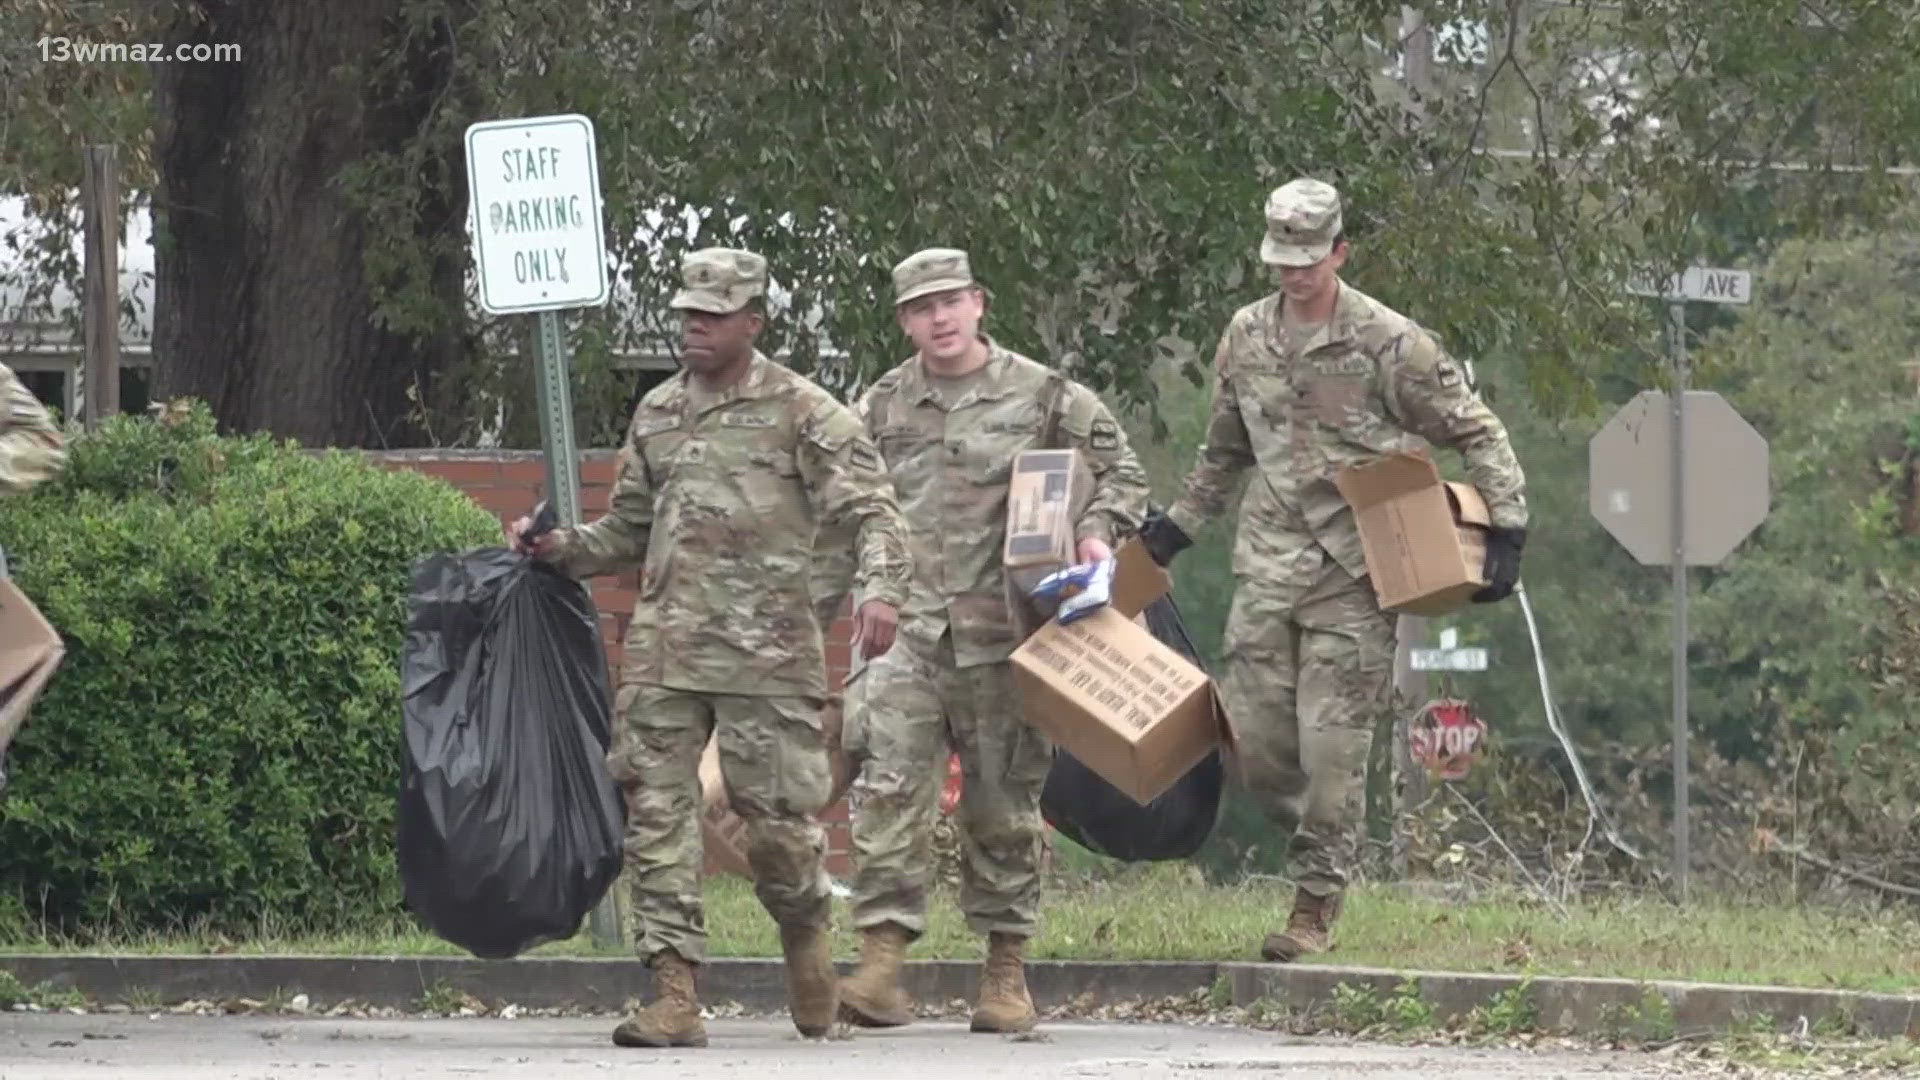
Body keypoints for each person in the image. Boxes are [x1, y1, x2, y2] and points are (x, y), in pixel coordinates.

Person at [510, 247, 911, 1048]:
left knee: (778, 832)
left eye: (713, 315)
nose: (694, 327)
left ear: (752, 323)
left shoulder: (805, 411)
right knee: (655, 813)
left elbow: (876, 510)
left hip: (768, 655)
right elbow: (627, 529)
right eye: (687, 312)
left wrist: (882, 591)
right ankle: (673, 992)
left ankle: (803, 934)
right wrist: (556, 548)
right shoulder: (658, 410)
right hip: (666, 653)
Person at [1139, 177, 1529, 963]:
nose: (1293, 273)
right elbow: (1224, 450)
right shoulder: (1246, 337)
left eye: (1308, 259)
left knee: (1332, 755)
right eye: (1281, 259)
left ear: (1340, 252)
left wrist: (1507, 525)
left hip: (1356, 573)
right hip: (1266, 567)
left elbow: (1475, 429)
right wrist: (1176, 529)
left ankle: (1314, 905)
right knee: (1252, 745)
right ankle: (1324, 835)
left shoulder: (1387, 342)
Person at [837, 247, 1151, 1034]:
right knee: (888, 791)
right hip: (905, 631)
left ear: (979, 302)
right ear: (905, 321)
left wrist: (1095, 533)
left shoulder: (1044, 396)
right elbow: (850, 500)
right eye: (920, 308)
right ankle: (880, 964)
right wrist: (867, 586)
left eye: (950, 302)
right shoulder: (877, 406)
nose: (938, 319)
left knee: (1002, 803)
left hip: (1005, 633)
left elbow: (1125, 475)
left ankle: (1005, 971)